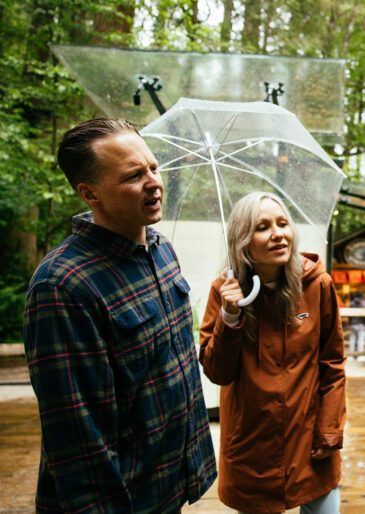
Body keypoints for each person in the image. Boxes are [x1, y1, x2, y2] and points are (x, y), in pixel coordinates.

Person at [22, 118, 217, 512]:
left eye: (153, 168)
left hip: (169, 485)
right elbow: (76, 436)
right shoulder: (62, 287)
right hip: (122, 501)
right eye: (133, 176)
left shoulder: (162, 251)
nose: (154, 182)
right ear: (89, 193)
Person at [198, 191, 346, 513]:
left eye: (283, 223)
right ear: (241, 241)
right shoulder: (223, 292)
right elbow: (217, 372)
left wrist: (330, 429)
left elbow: (332, 364)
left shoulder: (316, 284)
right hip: (253, 447)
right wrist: (230, 316)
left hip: (310, 438)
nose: (278, 234)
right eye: (262, 227)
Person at [347, 291, 365, 358]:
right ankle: (360, 356)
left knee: (352, 340)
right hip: (361, 324)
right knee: (360, 340)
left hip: (353, 324)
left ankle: (351, 356)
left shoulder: (352, 303)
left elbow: (349, 314)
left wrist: (350, 323)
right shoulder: (363, 303)